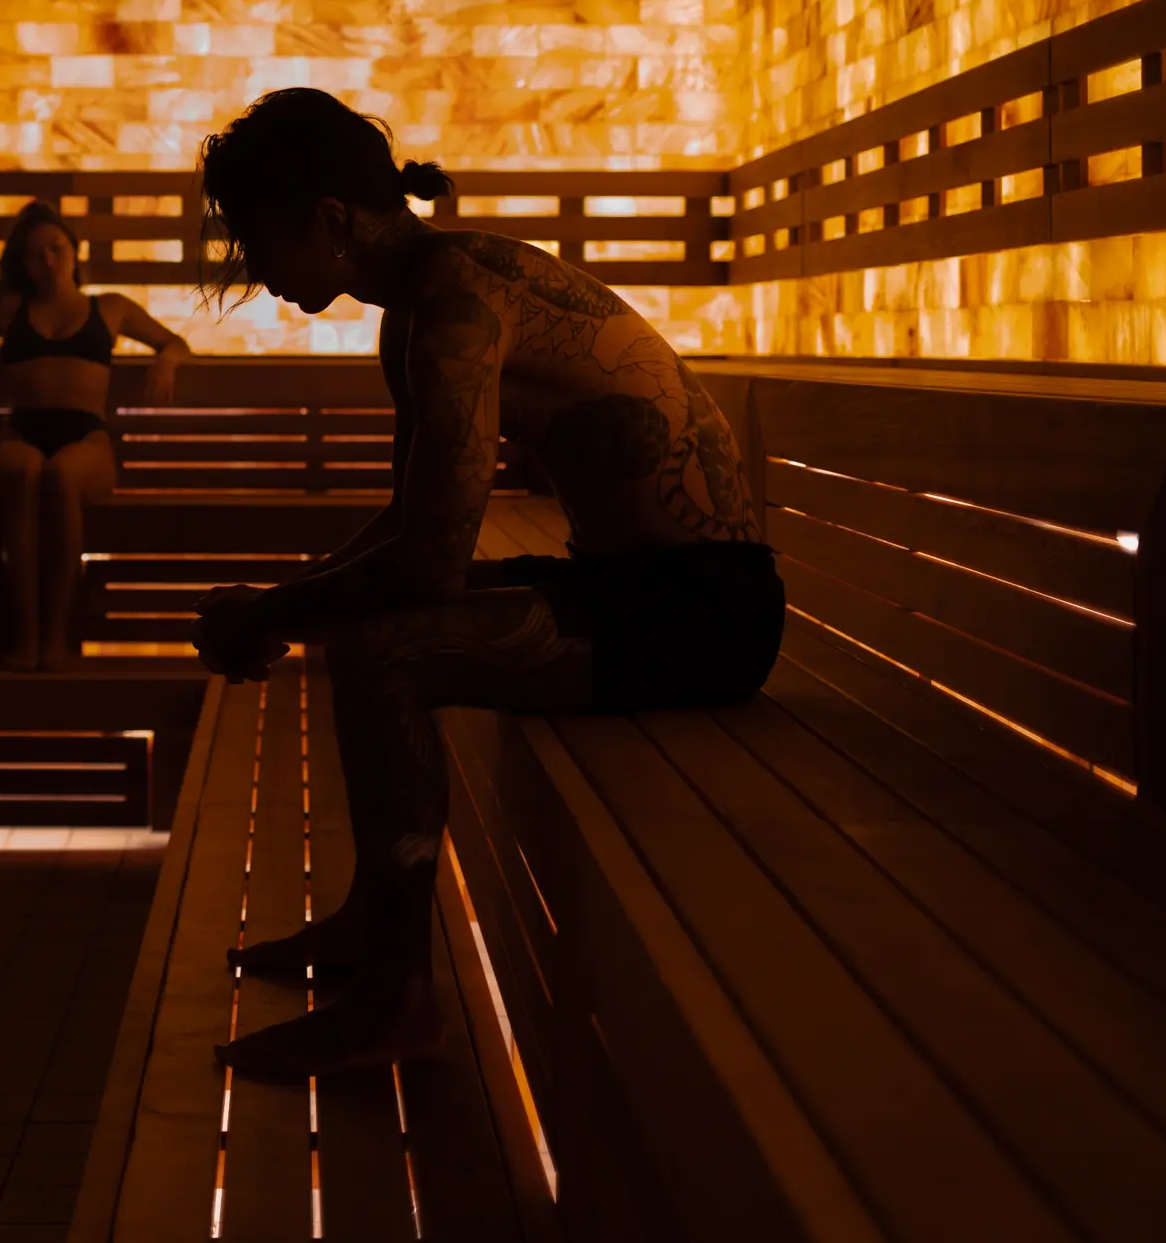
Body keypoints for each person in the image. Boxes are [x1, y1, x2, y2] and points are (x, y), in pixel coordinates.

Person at [187, 89, 782, 1079]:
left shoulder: (457, 309)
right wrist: (280, 601)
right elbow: (410, 521)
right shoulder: (420, 307)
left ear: (331, 220)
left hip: (705, 613)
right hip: (629, 587)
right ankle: (373, 924)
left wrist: (272, 613)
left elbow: (428, 564)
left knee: (385, 651)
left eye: (260, 239)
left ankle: (396, 998)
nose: (255, 269)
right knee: (371, 625)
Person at [0, 201, 191, 671]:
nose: (49, 262)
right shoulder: (7, 307)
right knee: (27, 470)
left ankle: (56, 637)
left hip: (86, 437)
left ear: (75, 251)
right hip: (21, 432)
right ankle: (26, 636)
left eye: (56, 248)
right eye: (36, 255)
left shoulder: (110, 308)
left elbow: (174, 342)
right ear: (23, 264)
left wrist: (167, 362)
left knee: (61, 475)